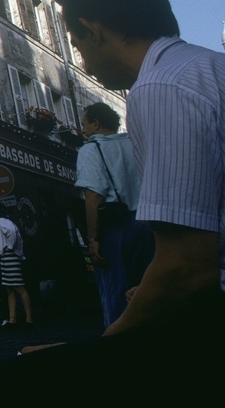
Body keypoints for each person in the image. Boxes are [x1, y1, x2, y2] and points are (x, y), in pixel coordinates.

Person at [0, 0, 225, 404]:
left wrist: (105, 345)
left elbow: (186, 266)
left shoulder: (160, 88)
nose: (83, 63)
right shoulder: (205, 67)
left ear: (94, 31)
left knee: (0, 386)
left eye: (77, 45)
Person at [75, 102, 155, 328]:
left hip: (116, 227)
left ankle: (120, 341)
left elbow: (94, 195)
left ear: (96, 124)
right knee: (149, 288)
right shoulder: (135, 144)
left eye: (84, 124)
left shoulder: (91, 149)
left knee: (116, 293)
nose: (82, 130)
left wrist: (93, 238)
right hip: (148, 222)